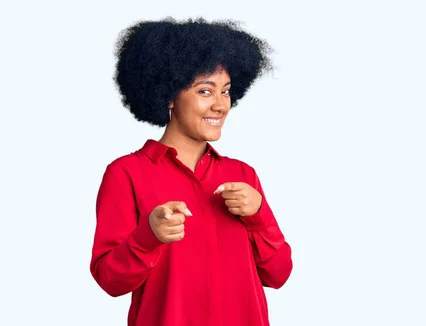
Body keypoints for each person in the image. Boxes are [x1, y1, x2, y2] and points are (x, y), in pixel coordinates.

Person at [89, 17, 293, 326]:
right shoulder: (126, 174)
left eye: (226, 92)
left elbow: (278, 275)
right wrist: (149, 237)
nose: (221, 106)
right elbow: (110, 281)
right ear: (169, 95)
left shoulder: (243, 175)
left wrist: (258, 213)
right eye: (205, 91)